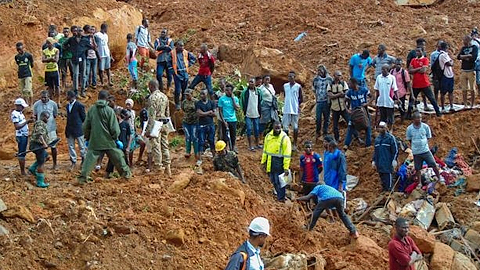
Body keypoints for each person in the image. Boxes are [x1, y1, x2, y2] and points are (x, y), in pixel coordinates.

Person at [79, 90, 132, 184]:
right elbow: (115, 129)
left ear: (98, 98)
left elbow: (86, 126)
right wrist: (115, 138)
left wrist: (87, 138)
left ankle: (83, 178)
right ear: (107, 99)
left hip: (95, 140)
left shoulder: (91, 110)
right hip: (108, 141)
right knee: (118, 157)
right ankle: (126, 175)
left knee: (89, 160)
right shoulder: (109, 111)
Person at [406, 112, 443, 188]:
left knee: (433, 164)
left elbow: (428, 137)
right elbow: (409, 139)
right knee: (418, 168)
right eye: (417, 118)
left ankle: (439, 178)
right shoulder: (409, 129)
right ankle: (419, 183)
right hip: (416, 152)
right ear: (413, 119)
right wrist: (415, 145)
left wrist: (423, 143)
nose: (419, 119)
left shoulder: (425, 127)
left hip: (425, 150)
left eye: (420, 118)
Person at [145, 80, 171, 176]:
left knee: (156, 146)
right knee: (165, 145)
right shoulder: (165, 96)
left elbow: (151, 116)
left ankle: (159, 168)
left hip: (156, 124)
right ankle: (168, 168)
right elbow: (168, 113)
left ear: (151, 86)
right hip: (164, 122)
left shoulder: (152, 98)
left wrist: (148, 130)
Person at [261, 121, 292, 202]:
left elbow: (287, 154)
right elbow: (265, 150)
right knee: (273, 180)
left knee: (280, 181)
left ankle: (281, 198)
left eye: (279, 128)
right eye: (276, 128)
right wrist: (263, 162)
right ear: (273, 128)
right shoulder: (268, 136)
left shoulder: (285, 138)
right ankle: (278, 194)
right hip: (270, 161)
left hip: (280, 162)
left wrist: (286, 167)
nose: (277, 130)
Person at [409, 47, 442, 116]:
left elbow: (423, 70)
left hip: (424, 83)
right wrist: (419, 68)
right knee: (412, 99)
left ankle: (438, 112)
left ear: (422, 52)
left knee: (431, 98)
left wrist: (415, 69)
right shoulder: (413, 60)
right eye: (416, 51)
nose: (417, 53)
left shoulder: (425, 59)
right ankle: (408, 114)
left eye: (419, 51)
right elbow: (410, 71)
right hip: (416, 83)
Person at [33, 91, 59, 170]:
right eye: (42, 97)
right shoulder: (36, 104)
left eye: (45, 97)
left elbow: (55, 115)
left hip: (51, 129)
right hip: (41, 129)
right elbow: (35, 115)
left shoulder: (53, 104)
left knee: (53, 146)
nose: (43, 99)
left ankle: (55, 164)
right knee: (40, 148)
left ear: (48, 97)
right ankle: (40, 164)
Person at [63, 25, 91, 97]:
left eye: (81, 31)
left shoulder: (85, 40)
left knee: (83, 75)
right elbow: (64, 45)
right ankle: (75, 91)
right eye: (79, 31)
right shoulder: (71, 39)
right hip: (74, 59)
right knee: (75, 74)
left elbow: (90, 47)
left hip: (83, 58)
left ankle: (83, 90)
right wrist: (70, 50)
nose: (80, 32)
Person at [344, 78, 371, 149]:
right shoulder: (350, 92)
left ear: (354, 84)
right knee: (350, 127)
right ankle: (346, 144)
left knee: (367, 126)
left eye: (350, 83)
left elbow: (372, 97)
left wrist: (367, 103)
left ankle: (368, 144)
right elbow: (345, 101)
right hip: (354, 112)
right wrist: (347, 110)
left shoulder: (363, 90)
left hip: (364, 111)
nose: (349, 85)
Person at [168, 41, 196, 109]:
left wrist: (188, 64)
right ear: (177, 46)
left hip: (185, 73)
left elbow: (193, 58)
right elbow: (168, 63)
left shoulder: (186, 52)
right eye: (181, 46)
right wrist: (173, 72)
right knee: (177, 90)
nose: (182, 47)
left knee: (184, 90)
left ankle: (183, 103)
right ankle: (177, 104)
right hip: (177, 74)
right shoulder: (172, 53)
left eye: (183, 46)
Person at [372, 121, 398, 191]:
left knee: (388, 181)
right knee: (382, 180)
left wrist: (394, 160)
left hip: (388, 163)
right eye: (380, 127)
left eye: (382, 127)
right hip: (380, 164)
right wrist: (374, 160)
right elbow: (375, 151)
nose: (381, 129)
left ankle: (389, 192)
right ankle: (384, 191)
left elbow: (395, 150)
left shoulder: (390, 138)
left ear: (386, 128)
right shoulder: (377, 140)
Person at [105, 109, 132, 176]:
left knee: (125, 160)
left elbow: (130, 135)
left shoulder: (126, 124)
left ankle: (127, 174)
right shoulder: (112, 124)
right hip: (114, 145)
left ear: (118, 115)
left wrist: (128, 147)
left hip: (123, 146)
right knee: (112, 160)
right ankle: (108, 173)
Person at [11, 98, 34, 175]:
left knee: (23, 152)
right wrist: (27, 121)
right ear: (18, 106)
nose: (23, 108)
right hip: (21, 136)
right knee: (22, 153)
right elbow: (17, 126)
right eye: (22, 106)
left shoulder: (20, 113)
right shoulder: (15, 114)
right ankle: (22, 172)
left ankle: (23, 170)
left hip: (24, 135)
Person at [29, 111, 51, 188]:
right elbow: (39, 134)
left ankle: (32, 168)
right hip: (37, 145)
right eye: (47, 118)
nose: (47, 120)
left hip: (39, 145)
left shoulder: (41, 123)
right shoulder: (40, 123)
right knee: (41, 163)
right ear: (43, 116)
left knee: (47, 157)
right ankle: (40, 182)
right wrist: (44, 143)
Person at [65, 90, 86, 171]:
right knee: (71, 146)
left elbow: (84, 118)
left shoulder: (79, 105)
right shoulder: (68, 106)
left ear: (71, 96)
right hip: (70, 128)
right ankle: (73, 161)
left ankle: (83, 160)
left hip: (78, 128)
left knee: (81, 145)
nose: (66, 97)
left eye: (67, 95)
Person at [282, 71, 303, 151]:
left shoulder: (298, 86)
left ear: (295, 77)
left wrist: (296, 104)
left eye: (292, 76)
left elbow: (301, 98)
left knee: (295, 126)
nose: (290, 78)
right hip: (287, 108)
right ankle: (287, 143)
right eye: (289, 76)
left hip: (294, 109)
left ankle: (295, 144)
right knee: (285, 126)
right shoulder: (285, 86)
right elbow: (285, 95)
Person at [241, 78, 262, 151]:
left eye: (252, 82)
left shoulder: (258, 92)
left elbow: (260, 102)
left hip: (256, 114)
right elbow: (242, 102)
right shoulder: (245, 92)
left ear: (255, 83)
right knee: (249, 129)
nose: (251, 83)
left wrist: (260, 112)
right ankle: (250, 145)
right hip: (248, 114)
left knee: (256, 129)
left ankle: (257, 144)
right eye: (250, 82)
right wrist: (243, 111)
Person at [327, 70, 349, 142]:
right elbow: (330, 96)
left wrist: (335, 95)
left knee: (349, 122)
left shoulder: (343, 83)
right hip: (335, 108)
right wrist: (339, 94)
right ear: (334, 76)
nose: (340, 77)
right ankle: (336, 138)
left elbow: (346, 93)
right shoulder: (330, 84)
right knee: (335, 125)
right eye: (338, 75)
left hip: (343, 107)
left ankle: (355, 136)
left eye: (340, 75)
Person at [374, 64, 398, 131]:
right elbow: (377, 89)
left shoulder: (392, 78)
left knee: (390, 117)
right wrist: (376, 99)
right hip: (381, 101)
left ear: (387, 70)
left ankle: (390, 129)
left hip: (389, 101)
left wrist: (397, 99)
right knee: (382, 116)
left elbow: (395, 89)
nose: (382, 71)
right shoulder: (379, 77)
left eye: (384, 69)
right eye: (382, 69)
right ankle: (383, 130)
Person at [218, 83, 240, 152]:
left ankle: (233, 148)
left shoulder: (235, 98)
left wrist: (232, 99)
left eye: (228, 90)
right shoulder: (222, 99)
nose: (227, 91)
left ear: (232, 91)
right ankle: (225, 149)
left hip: (233, 120)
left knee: (233, 135)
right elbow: (220, 111)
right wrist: (224, 121)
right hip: (225, 120)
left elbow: (237, 108)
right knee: (225, 136)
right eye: (226, 90)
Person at [312, 65, 332, 140]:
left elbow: (331, 89)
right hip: (319, 101)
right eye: (318, 71)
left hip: (326, 101)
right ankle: (318, 131)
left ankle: (325, 132)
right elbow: (313, 88)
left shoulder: (329, 79)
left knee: (326, 118)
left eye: (321, 71)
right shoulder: (316, 79)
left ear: (324, 71)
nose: (319, 72)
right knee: (318, 118)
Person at [457, 35, 478, 108]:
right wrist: (468, 56)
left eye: (464, 41)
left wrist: (464, 57)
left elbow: (473, 57)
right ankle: (465, 104)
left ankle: (472, 104)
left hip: (471, 70)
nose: (463, 42)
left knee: (472, 88)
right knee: (464, 88)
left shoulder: (474, 48)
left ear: (468, 41)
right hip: (463, 70)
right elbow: (458, 57)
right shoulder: (463, 48)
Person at [196, 89, 216, 158]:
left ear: (206, 94)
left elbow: (214, 114)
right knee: (201, 141)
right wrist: (209, 112)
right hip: (201, 125)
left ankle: (214, 156)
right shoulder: (198, 103)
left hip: (210, 125)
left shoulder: (212, 102)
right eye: (201, 94)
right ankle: (200, 158)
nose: (201, 95)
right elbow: (199, 113)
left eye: (203, 94)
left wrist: (204, 113)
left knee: (211, 140)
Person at [125, 99, 145, 166]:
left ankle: (139, 158)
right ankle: (130, 164)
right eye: (127, 104)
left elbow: (133, 122)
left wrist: (136, 131)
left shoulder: (133, 112)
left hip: (133, 131)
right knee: (131, 148)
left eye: (129, 104)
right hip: (128, 132)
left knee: (143, 143)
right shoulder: (124, 112)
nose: (128, 106)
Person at [182, 89, 200, 162]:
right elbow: (183, 109)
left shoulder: (196, 102)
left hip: (194, 122)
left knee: (194, 137)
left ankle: (196, 152)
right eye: (185, 95)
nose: (186, 96)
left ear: (191, 94)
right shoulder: (184, 102)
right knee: (188, 137)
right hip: (186, 122)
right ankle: (188, 152)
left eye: (188, 95)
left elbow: (198, 110)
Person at [42, 37, 61, 104]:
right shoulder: (44, 51)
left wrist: (48, 59)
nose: (49, 44)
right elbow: (43, 60)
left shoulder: (56, 50)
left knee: (57, 86)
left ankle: (58, 101)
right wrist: (51, 58)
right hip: (48, 70)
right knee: (49, 86)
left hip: (54, 70)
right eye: (47, 43)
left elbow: (56, 60)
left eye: (49, 43)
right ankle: (51, 100)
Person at [95, 23, 113, 87]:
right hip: (101, 54)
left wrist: (110, 55)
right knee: (101, 69)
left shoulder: (106, 35)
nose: (107, 29)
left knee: (108, 68)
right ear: (104, 28)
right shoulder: (97, 35)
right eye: (106, 28)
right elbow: (95, 45)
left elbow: (107, 45)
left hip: (107, 53)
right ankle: (102, 82)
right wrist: (97, 54)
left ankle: (109, 81)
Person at [438, 42, 455, 112]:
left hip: (449, 74)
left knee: (450, 91)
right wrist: (451, 61)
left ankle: (451, 106)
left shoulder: (446, 55)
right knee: (443, 92)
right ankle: (442, 107)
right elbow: (449, 63)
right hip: (445, 75)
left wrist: (451, 61)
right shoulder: (442, 55)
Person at [83, 25, 98, 90]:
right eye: (90, 29)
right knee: (87, 72)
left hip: (94, 57)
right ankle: (86, 85)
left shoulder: (94, 37)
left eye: (92, 30)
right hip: (88, 57)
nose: (91, 31)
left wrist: (93, 39)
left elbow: (96, 47)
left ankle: (94, 84)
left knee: (94, 72)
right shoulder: (85, 38)